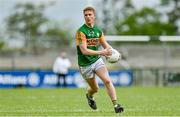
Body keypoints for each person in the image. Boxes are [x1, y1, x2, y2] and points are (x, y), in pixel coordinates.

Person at [75, 6, 124, 113]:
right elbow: (84, 51)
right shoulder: (81, 32)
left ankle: (116, 105)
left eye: (90, 15)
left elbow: (105, 45)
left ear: (94, 17)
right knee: (95, 89)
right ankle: (89, 96)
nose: (88, 17)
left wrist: (114, 52)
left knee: (107, 80)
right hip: (85, 64)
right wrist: (102, 52)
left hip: (97, 60)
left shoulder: (98, 31)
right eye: (86, 15)